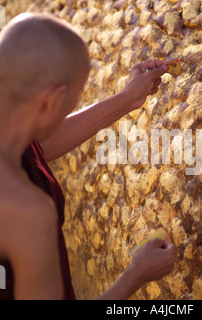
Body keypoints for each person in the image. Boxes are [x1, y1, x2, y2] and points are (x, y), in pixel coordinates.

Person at [0, 12, 177, 300]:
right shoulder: (27, 214)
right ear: (54, 100)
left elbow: (34, 147)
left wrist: (128, 98)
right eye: (75, 97)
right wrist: (137, 274)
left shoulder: (11, 141)